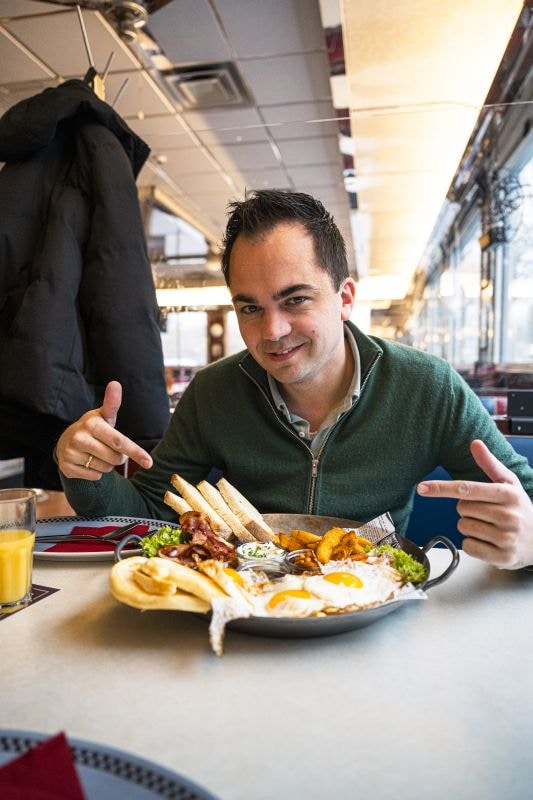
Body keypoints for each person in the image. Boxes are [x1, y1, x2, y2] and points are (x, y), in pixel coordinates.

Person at [56, 190, 533, 570]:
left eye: (296, 300)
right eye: (250, 308)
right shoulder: (214, 393)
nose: (273, 332)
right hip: (252, 608)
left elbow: (521, 491)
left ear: (344, 298)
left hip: (373, 603)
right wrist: (84, 475)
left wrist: (530, 538)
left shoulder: (427, 386)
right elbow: (151, 513)